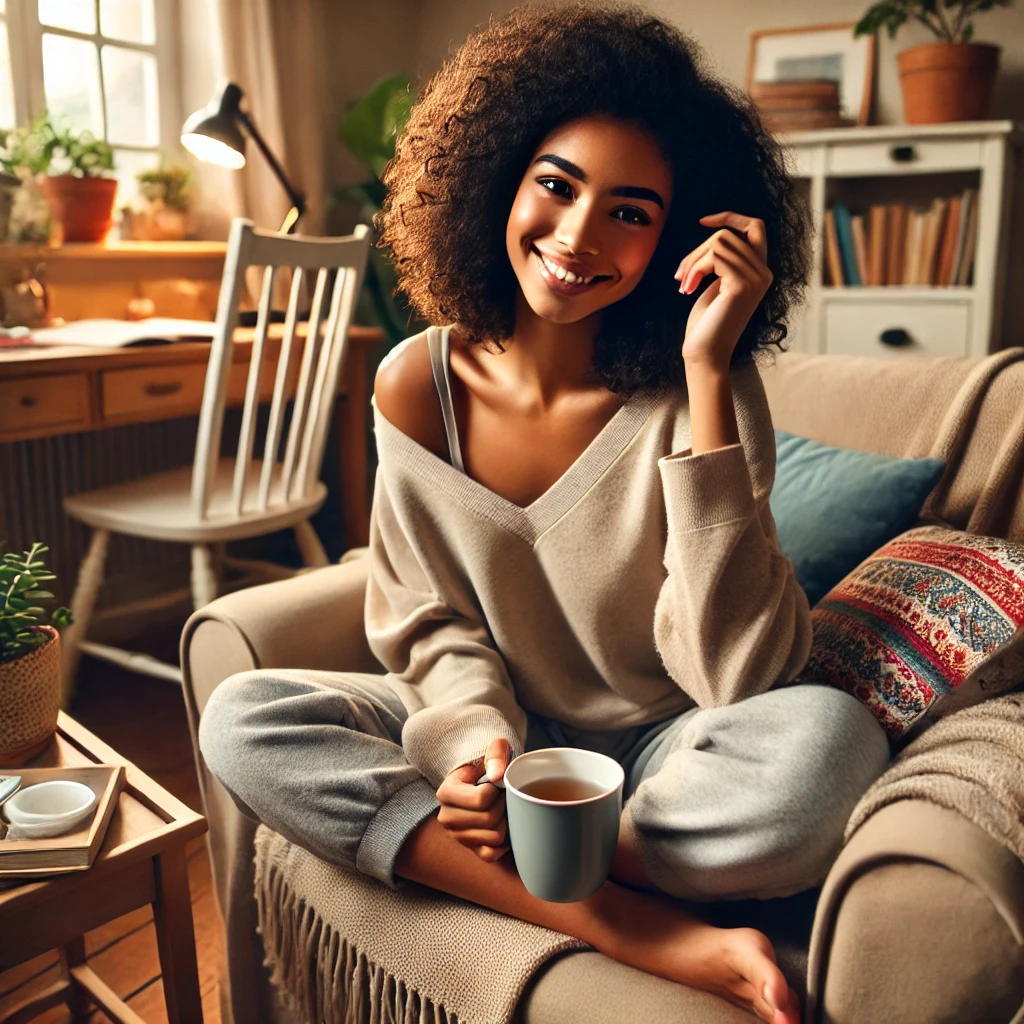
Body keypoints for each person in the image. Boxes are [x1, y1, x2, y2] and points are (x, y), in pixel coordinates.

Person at [199, 6, 890, 1023]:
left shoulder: (703, 392)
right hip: (508, 741)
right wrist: (473, 750)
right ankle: (620, 922)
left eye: (630, 213)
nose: (576, 237)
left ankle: (550, 859)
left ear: (679, 240)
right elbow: (428, 620)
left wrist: (706, 372)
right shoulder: (416, 387)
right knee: (244, 717)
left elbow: (737, 675)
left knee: (830, 749)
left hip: (667, 749)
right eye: (557, 186)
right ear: (500, 182)